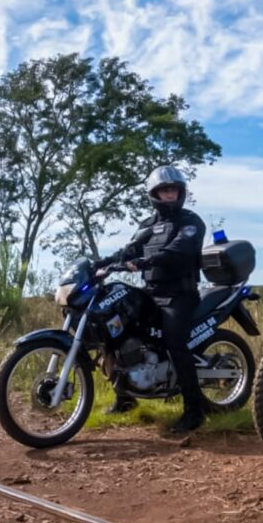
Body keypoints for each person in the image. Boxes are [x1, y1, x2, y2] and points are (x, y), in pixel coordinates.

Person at [94, 165, 207, 434]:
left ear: (181, 192)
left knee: (174, 340)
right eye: (164, 190)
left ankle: (195, 410)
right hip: (151, 292)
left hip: (179, 295)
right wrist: (103, 262)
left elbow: (177, 250)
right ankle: (125, 398)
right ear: (154, 194)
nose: (170, 194)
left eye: (174, 190)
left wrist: (145, 261)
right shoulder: (147, 225)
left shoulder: (191, 222)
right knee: (113, 328)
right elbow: (129, 249)